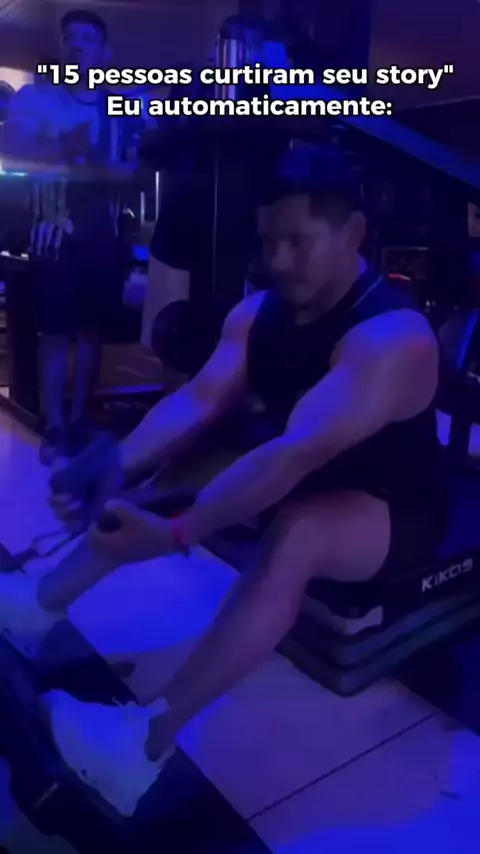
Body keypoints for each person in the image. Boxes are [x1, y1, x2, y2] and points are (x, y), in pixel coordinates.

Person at [0, 145, 448, 816]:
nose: (280, 260)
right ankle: (40, 606)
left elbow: (291, 456)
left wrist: (178, 533)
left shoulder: (391, 337)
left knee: (298, 534)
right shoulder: (260, 311)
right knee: (176, 468)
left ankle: (138, 751)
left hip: (392, 506)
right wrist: (117, 465)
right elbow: (197, 401)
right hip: (312, 469)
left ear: (353, 233)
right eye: (269, 242)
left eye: (298, 241)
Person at [2, 10, 144, 463]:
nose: (77, 44)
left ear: (105, 53)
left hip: (102, 232)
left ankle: (79, 417)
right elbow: (12, 145)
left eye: (87, 37)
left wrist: (93, 159)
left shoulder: (121, 104)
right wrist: (66, 146)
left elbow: (131, 169)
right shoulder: (37, 97)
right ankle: (55, 423)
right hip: (53, 232)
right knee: (56, 330)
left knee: (91, 329)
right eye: (70, 37)